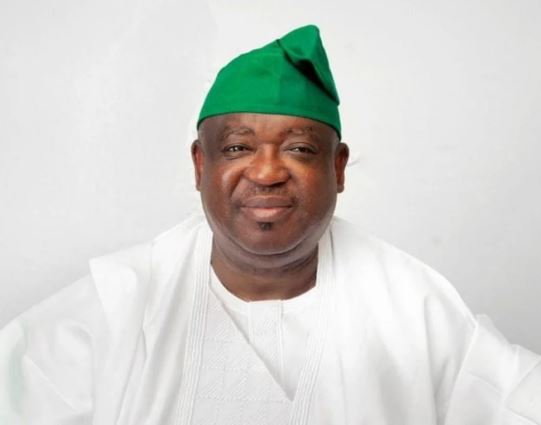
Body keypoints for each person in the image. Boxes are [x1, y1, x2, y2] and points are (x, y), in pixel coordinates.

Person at [0, 25, 539, 425]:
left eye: (300, 149)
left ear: (338, 168)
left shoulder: (413, 308)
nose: (266, 172)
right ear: (200, 164)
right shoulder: (116, 306)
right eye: (238, 148)